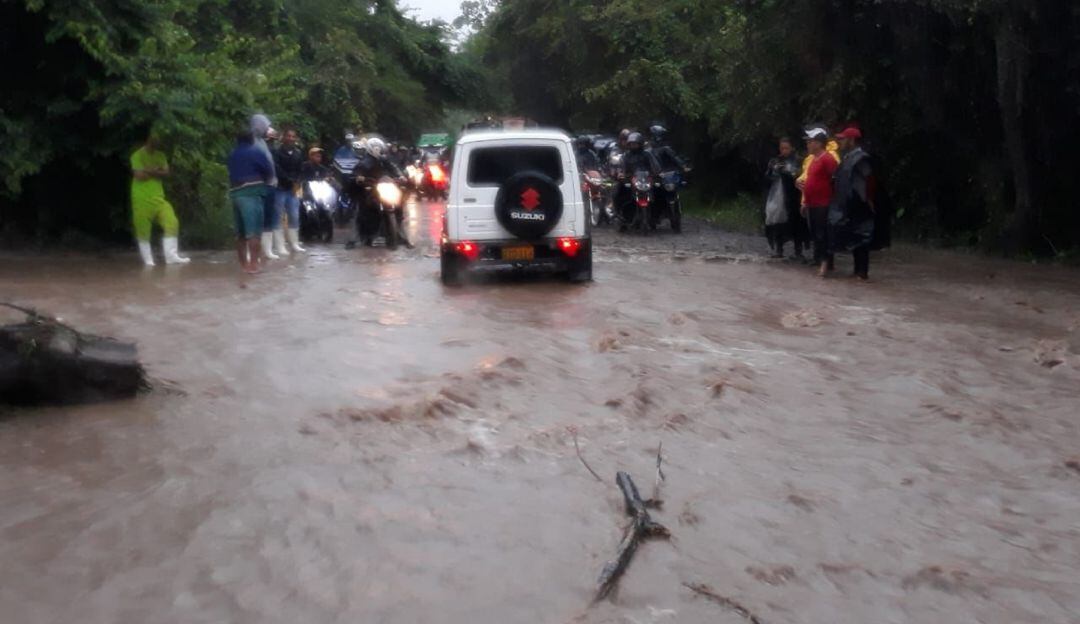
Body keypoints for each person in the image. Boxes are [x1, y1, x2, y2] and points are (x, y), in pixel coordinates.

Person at [130, 129, 190, 266]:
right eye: (154, 139)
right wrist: (156, 171)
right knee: (143, 229)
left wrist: (147, 170)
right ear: (148, 139)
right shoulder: (137, 155)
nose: (157, 141)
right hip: (141, 198)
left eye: (158, 139)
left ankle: (171, 256)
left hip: (158, 197)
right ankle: (148, 260)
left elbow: (166, 172)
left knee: (172, 221)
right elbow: (139, 176)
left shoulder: (161, 155)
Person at [828, 127, 878, 280]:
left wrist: (867, 201)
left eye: (843, 139)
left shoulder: (861, 158)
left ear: (852, 140)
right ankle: (857, 272)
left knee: (862, 237)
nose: (840, 142)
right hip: (848, 204)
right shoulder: (847, 158)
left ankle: (862, 273)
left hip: (860, 205)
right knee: (855, 237)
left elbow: (869, 182)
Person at [227, 129, 275, 273]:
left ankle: (243, 265)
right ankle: (253, 265)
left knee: (240, 233)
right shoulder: (256, 152)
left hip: (235, 194)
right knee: (254, 232)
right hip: (252, 193)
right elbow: (269, 172)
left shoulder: (232, 154)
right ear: (252, 140)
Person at [799, 125, 839, 277]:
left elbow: (836, 180)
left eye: (810, 142)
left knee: (823, 234)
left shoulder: (828, 159)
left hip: (824, 203)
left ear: (818, 143)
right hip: (812, 203)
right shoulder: (813, 160)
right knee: (816, 234)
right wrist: (805, 202)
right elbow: (810, 182)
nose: (808, 144)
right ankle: (823, 261)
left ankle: (825, 263)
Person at [250, 114, 283, 260]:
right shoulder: (251, 143)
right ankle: (254, 252)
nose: (268, 129)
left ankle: (267, 250)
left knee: (268, 217)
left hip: (270, 185)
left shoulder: (263, 142)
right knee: (256, 218)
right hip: (258, 185)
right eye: (265, 126)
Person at [764, 137, 803, 259]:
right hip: (778, 197)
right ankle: (779, 249)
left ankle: (798, 251)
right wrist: (774, 170)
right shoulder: (775, 160)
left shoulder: (798, 160)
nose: (784, 150)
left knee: (797, 224)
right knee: (777, 222)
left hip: (794, 197)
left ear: (792, 148)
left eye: (786, 148)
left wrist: (787, 172)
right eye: (782, 148)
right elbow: (767, 178)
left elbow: (800, 175)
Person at [273, 127, 306, 254]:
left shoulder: (298, 153)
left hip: (293, 189)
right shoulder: (277, 152)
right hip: (280, 187)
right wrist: (289, 179)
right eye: (288, 136)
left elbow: (301, 170)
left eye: (293, 136)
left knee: (294, 215)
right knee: (278, 216)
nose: (291, 138)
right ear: (283, 137)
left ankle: (294, 243)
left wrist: (298, 181)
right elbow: (277, 168)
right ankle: (280, 245)